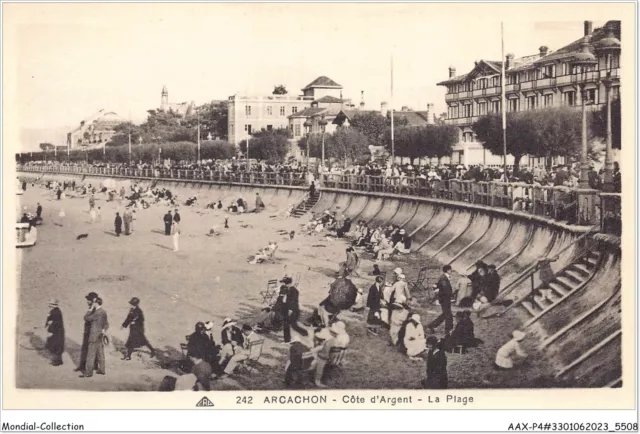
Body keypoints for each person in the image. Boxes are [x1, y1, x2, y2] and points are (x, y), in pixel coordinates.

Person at [312, 322, 350, 388]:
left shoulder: (330, 340)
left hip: (327, 355)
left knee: (320, 361)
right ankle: (318, 380)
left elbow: (324, 350)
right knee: (321, 363)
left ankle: (317, 379)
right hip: (331, 356)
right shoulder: (342, 338)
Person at [80, 297, 109, 378]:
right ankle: (102, 370)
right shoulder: (103, 312)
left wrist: (90, 310)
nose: (92, 303)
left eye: (93, 302)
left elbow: (86, 318)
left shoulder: (96, 313)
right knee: (100, 353)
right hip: (100, 336)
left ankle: (88, 373)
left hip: (93, 336)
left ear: (96, 303)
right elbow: (106, 324)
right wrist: (103, 330)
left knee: (91, 355)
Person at [274, 276, 303, 343]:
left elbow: (294, 302)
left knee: (293, 325)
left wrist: (290, 310)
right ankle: (287, 340)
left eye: (284, 283)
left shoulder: (294, 291)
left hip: (292, 310)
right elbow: (280, 299)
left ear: (288, 283)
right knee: (286, 325)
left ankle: (294, 338)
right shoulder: (283, 288)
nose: (282, 285)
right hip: (285, 309)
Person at [75, 292, 99, 373]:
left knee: (90, 350)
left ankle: (91, 367)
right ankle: (83, 366)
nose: (87, 301)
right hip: (87, 332)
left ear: (93, 300)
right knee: (85, 349)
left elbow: (86, 318)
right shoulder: (92, 308)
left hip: (92, 332)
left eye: (89, 300)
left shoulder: (95, 309)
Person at [428, 265, 454, 335]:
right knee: (448, 314)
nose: (451, 271)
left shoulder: (444, 277)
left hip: (445, 298)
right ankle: (448, 330)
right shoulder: (443, 278)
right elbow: (445, 289)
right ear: (448, 270)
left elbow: (437, 285)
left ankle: (432, 325)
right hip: (444, 299)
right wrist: (451, 296)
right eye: (451, 270)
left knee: (446, 314)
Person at [389, 274, 410, 345]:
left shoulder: (396, 283)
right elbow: (407, 292)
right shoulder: (404, 284)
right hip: (402, 298)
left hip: (396, 298)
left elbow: (391, 290)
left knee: (395, 311)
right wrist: (409, 297)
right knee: (401, 311)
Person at [45, 299, 65, 366]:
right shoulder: (54, 311)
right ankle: (58, 360)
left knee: (56, 346)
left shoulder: (56, 312)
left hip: (56, 332)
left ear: (53, 305)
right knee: (55, 345)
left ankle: (57, 361)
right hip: (56, 331)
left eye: (50, 304)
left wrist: (51, 331)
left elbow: (57, 323)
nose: (49, 305)